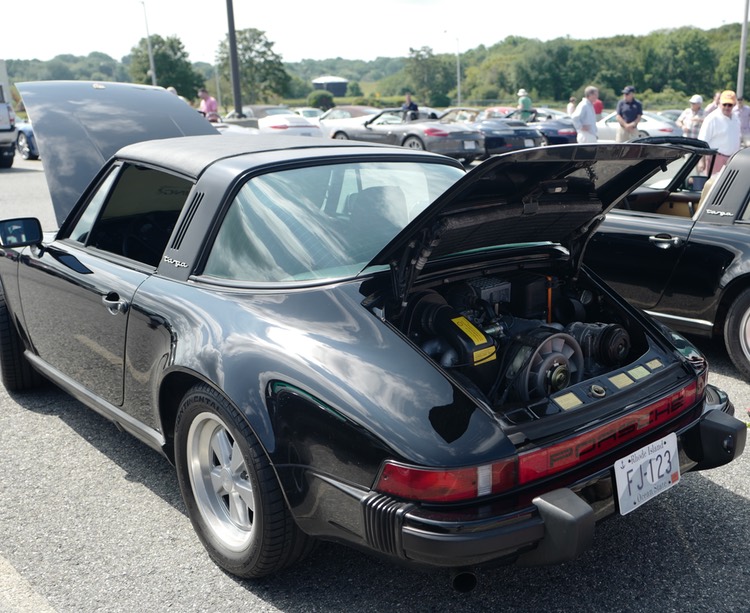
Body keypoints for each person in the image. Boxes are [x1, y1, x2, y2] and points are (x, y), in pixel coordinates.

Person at [698, 90, 741, 174]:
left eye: (730, 105)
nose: (727, 107)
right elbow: (702, 141)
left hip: (732, 160)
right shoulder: (712, 118)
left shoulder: (735, 118)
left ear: (734, 105)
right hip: (715, 158)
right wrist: (701, 161)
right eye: (724, 104)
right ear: (719, 103)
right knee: (713, 185)